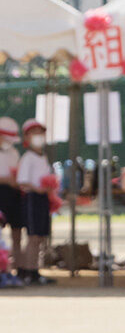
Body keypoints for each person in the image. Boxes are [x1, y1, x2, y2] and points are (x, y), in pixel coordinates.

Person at [13, 119, 55, 286]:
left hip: (42, 199)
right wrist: (38, 189)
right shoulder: (28, 157)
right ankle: (27, 271)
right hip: (32, 198)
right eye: (34, 132)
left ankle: (34, 271)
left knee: (39, 238)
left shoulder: (43, 156)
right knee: (32, 236)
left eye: (41, 132)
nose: (39, 135)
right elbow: (22, 181)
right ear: (27, 136)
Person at [0, 118, 24, 267]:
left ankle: (18, 266)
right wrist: (5, 180)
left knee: (17, 232)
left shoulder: (14, 152)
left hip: (13, 195)